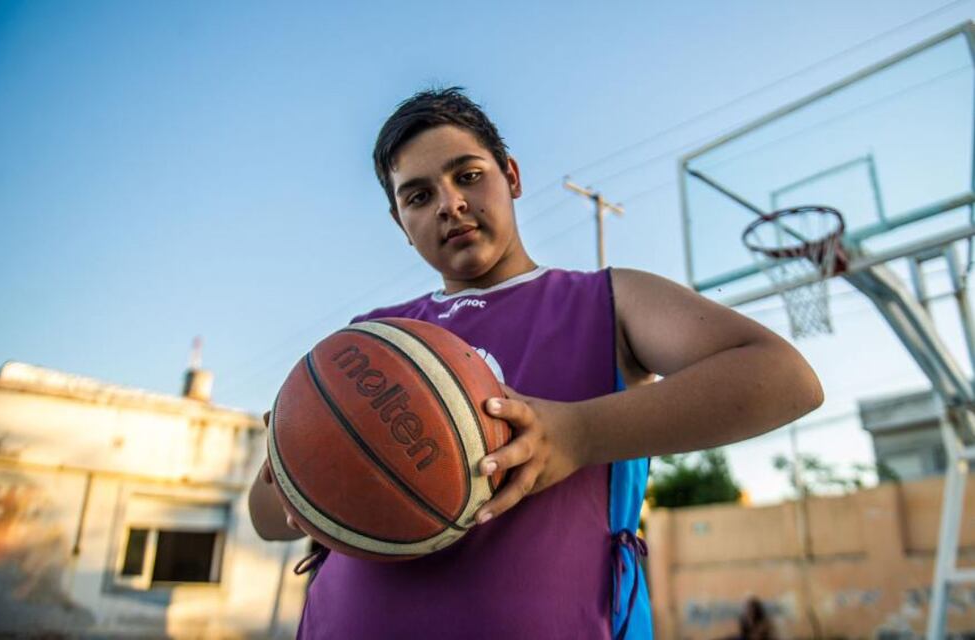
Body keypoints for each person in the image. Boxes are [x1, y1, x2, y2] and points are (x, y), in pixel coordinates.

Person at [247, 87, 824, 639]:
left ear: (512, 178)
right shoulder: (367, 341)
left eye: (468, 175)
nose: (450, 204)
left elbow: (786, 378)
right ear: (401, 223)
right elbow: (265, 517)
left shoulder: (608, 300)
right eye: (418, 196)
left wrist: (577, 433)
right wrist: (303, 486)